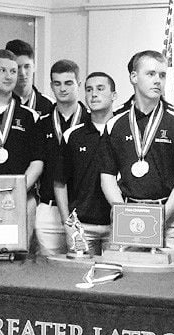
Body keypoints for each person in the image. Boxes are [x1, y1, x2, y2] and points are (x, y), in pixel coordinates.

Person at [100, 50, 174, 265]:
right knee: (126, 282)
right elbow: (107, 176)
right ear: (134, 77)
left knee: (170, 285)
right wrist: (123, 214)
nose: (158, 80)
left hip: (170, 218)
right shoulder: (115, 124)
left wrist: (160, 216)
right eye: (151, 74)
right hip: (128, 215)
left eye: (162, 75)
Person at [0, 49, 45, 244]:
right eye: (2, 70)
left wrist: (18, 190)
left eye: (13, 72)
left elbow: (37, 162)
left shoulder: (30, 116)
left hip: (21, 198)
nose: (9, 76)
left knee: (20, 260)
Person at [57, 71, 117, 254]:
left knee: (115, 279)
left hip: (117, 225)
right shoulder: (72, 135)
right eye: (89, 89)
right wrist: (67, 222)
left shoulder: (123, 131)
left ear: (114, 95)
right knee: (78, 279)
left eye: (100, 89)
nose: (94, 94)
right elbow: (59, 182)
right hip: (81, 226)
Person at [35, 59, 90, 256]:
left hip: (82, 210)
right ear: (51, 86)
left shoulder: (91, 122)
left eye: (68, 83)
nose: (63, 89)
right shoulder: (40, 123)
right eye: (57, 84)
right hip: (48, 208)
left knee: (80, 268)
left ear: (79, 85)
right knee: (48, 271)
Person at [5, 39, 54, 114]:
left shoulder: (49, 106)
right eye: (17, 67)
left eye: (27, 66)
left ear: (34, 67)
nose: (22, 73)